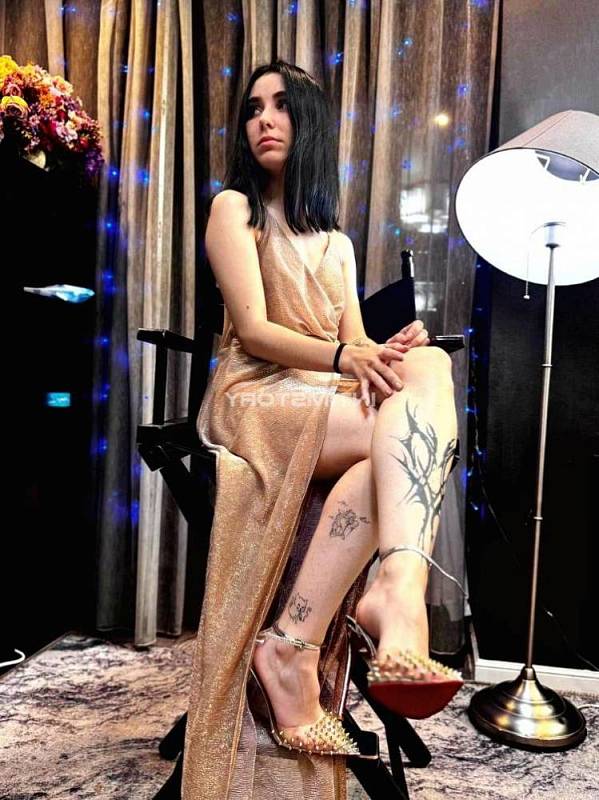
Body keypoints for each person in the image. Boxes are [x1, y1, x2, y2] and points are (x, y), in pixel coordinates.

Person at [181, 60, 461, 800]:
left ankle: (296, 642)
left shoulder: (335, 242)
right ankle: (395, 591)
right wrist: (349, 358)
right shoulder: (233, 209)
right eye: (252, 109)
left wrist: (386, 352)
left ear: (308, 124)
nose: (264, 120)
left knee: (425, 367)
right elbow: (253, 331)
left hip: (320, 395)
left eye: (280, 106)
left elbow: (357, 348)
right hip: (252, 395)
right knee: (401, 433)